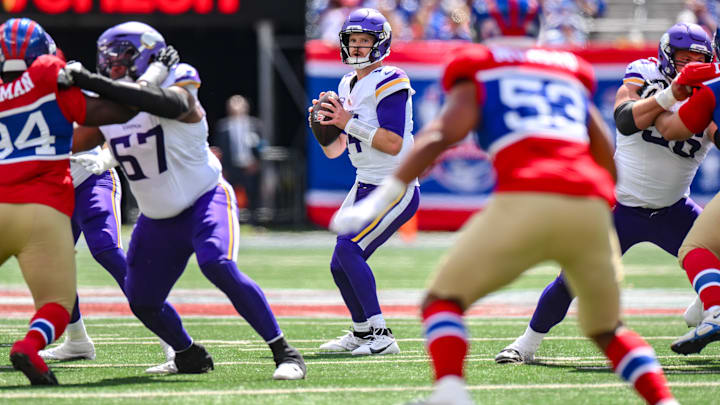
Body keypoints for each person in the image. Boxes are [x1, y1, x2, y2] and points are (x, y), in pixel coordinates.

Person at [330, 1, 678, 404]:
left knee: (442, 301)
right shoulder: (565, 68)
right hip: (588, 207)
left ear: (484, 27)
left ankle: (449, 393)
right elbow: (605, 159)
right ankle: (663, 400)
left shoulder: (479, 64)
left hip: (526, 198)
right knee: (608, 330)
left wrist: (381, 199)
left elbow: (439, 136)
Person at [67, 21, 306, 379]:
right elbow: (72, 139)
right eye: (106, 56)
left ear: (148, 53)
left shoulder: (175, 78)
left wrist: (94, 84)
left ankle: (285, 352)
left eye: (122, 53)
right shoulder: (112, 101)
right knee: (142, 300)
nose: (112, 61)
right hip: (156, 216)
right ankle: (188, 354)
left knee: (217, 263)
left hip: (204, 197)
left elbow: (171, 104)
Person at [495, 22, 715, 365]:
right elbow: (625, 118)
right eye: (682, 57)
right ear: (666, 56)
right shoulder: (645, 74)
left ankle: (704, 309)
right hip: (621, 207)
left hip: (674, 209)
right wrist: (671, 94)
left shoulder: (709, 93)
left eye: (696, 58)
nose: (689, 64)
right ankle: (526, 344)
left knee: (711, 256)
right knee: (573, 278)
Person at [0, 17, 146, 385]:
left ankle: (165, 336)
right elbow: (115, 114)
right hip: (46, 200)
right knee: (56, 293)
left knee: (105, 249)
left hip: (51, 188)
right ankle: (58, 341)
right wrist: (145, 83)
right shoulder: (52, 76)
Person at [308, 7, 420, 356]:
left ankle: (382, 335)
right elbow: (335, 150)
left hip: (393, 183)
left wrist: (345, 121)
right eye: (352, 41)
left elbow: (392, 142)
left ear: (380, 43)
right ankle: (361, 331)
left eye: (364, 41)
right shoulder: (346, 83)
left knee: (349, 249)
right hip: (365, 181)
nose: (357, 47)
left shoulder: (391, 78)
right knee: (338, 261)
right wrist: (323, 127)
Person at [639, 42, 720, 355]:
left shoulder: (710, 80)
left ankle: (714, 311)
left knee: (696, 246)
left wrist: (657, 103)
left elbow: (672, 130)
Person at [213, 95, 263, 224]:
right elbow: (220, 148)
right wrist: (223, 167)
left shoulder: (255, 124)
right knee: (228, 194)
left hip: (250, 165)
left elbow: (261, 144)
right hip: (231, 167)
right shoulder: (223, 126)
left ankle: (255, 223)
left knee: (253, 194)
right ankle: (230, 221)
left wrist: (257, 161)